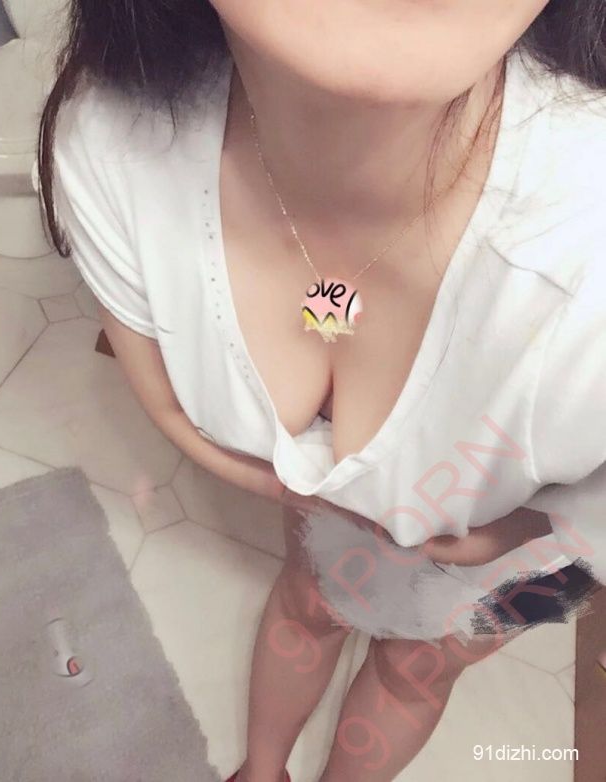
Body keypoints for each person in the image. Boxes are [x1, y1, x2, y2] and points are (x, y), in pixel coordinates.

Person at [35, 1, 606, 780]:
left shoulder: (584, 250)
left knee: (417, 668)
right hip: (358, 540)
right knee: (307, 605)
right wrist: (321, 497)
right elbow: (173, 408)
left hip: (520, 563)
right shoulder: (110, 147)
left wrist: (511, 534)